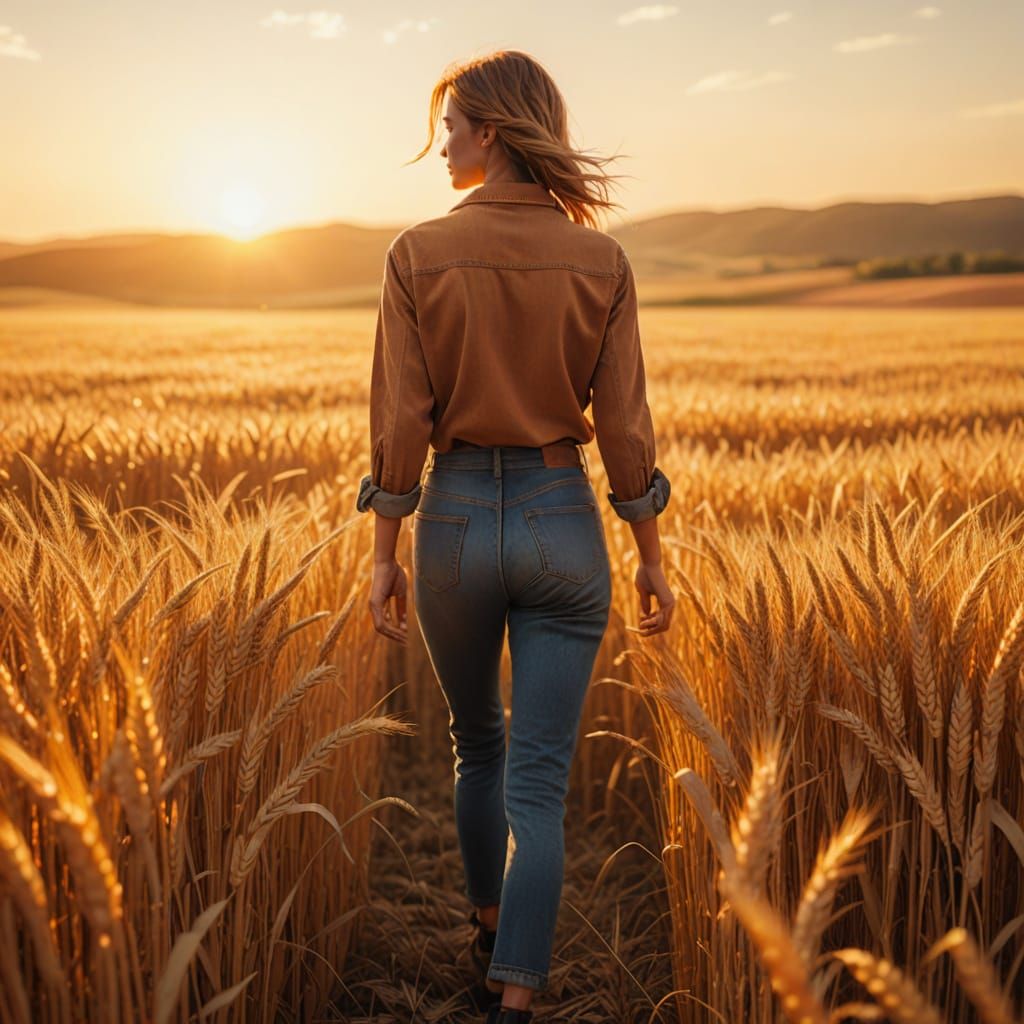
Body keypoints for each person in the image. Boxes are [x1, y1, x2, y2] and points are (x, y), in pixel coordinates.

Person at [355, 49, 675, 1024]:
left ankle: (489, 923)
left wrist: (384, 550)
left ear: (490, 130)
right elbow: (622, 427)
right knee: (540, 775)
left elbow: (400, 420)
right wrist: (651, 550)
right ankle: (518, 989)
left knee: (475, 743)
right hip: (560, 519)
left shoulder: (416, 254)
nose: (439, 143)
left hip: (452, 519)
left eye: (449, 125)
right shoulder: (601, 259)